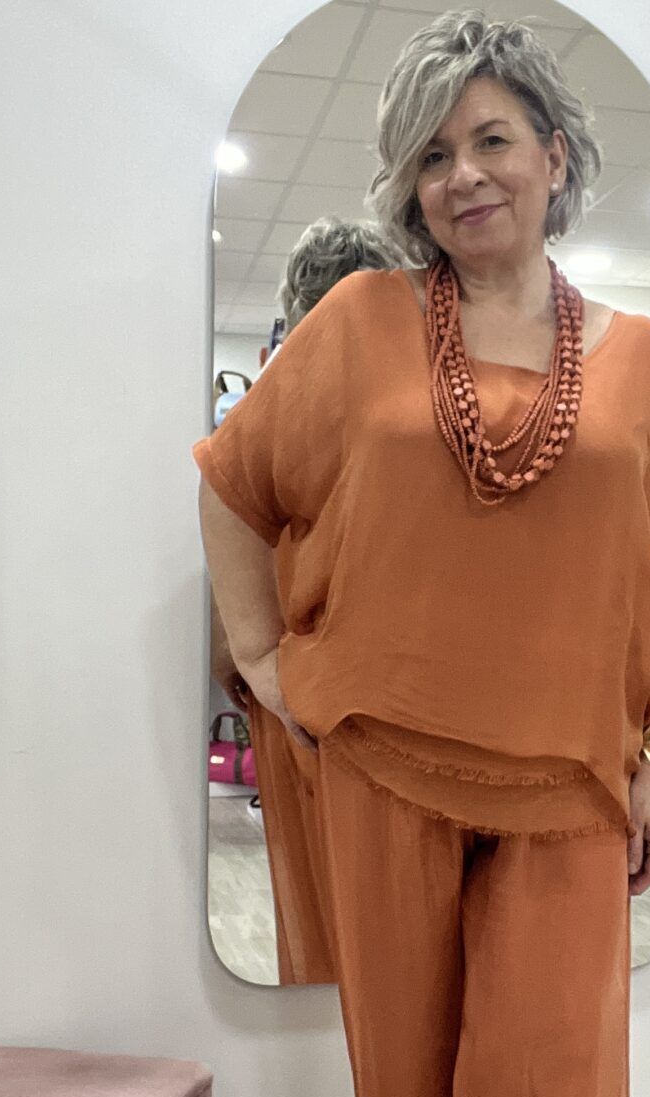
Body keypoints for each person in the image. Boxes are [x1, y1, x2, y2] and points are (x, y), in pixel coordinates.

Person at [193, 10, 650, 1097]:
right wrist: (265, 660)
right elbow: (234, 486)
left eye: (490, 139)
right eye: (431, 154)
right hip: (385, 771)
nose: (462, 175)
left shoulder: (635, 361)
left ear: (555, 154)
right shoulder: (360, 322)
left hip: (564, 792)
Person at [207, 216, 401, 984]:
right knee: (393, 941)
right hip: (367, 702)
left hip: (297, 694)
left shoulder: (272, 409)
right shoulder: (406, 412)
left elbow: (224, 622)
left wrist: (255, 663)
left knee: (325, 936)